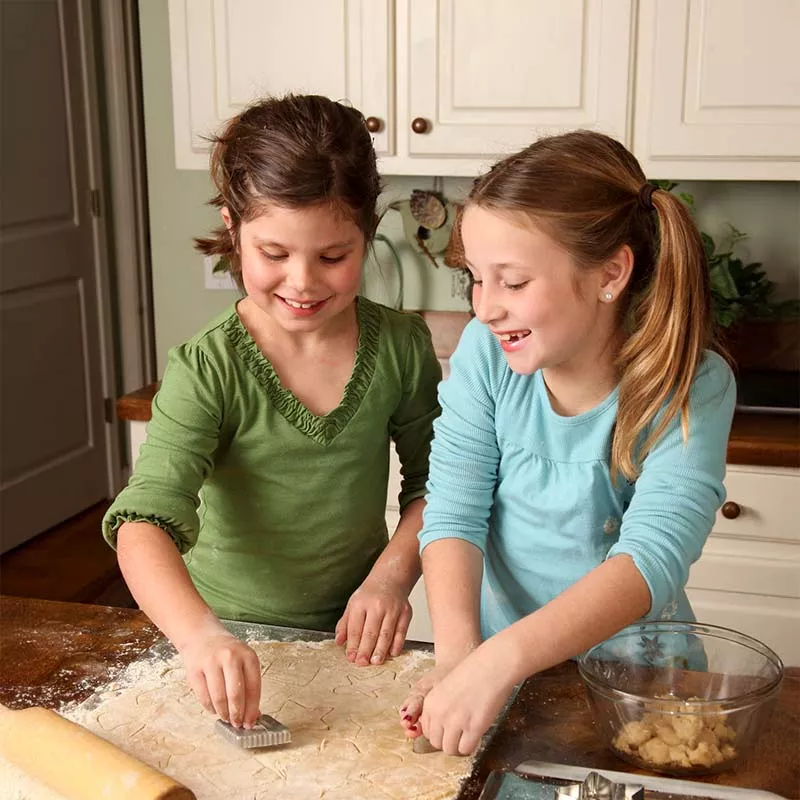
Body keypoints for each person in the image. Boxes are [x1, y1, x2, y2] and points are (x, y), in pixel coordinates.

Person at [102, 94, 441, 731]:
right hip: (225, 644)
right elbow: (143, 521)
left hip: (357, 636)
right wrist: (200, 636)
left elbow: (442, 484)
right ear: (233, 230)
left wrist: (392, 577)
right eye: (275, 255)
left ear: (367, 234)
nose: (304, 282)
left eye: (333, 256)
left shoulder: (401, 346)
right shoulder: (208, 368)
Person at [399, 130, 736, 756]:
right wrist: (458, 663)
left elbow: (649, 560)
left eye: (513, 282)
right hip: (501, 674)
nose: (487, 307)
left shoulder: (691, 385)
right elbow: (453, 511)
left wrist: (496, 664)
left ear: (610, 274)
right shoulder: (486, 355)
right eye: (475, 278)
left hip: (640, 690)